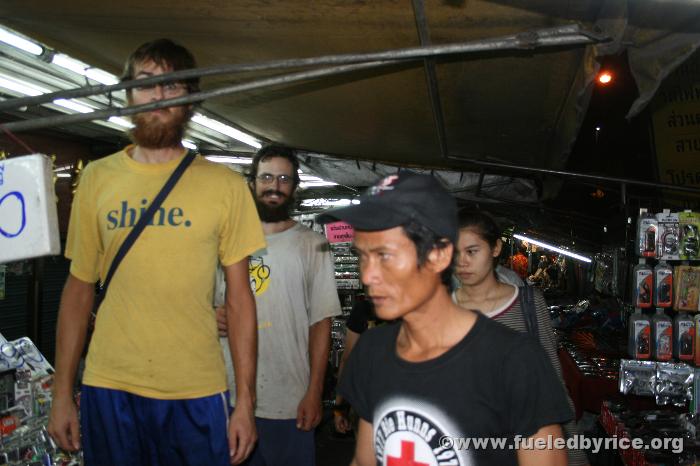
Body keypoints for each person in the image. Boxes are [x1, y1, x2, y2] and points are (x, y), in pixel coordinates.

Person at [48, 39, 265, 466]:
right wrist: (61, 394)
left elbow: (240, 300)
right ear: (128, 92)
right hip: (109, 384)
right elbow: (78, 291)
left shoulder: (225, 186)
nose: (158, 96)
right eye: (147, 83)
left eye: (172, 86)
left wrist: (245, 401)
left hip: (197, 389)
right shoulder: (96, 178)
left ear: (191, 101)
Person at [320, 172, 572, 466]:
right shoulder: (373, 351)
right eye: (362, 256)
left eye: (385, 255)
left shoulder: (515, 362)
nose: (367, 275)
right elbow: (365, 461)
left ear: (439, 256)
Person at [217, 145, 342, 466]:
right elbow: (198, 304)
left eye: (284, 179)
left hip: (289, 399)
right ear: (252, 182)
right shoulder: (224, 242)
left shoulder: (313, 245)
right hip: (225, 395)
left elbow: (321, 324)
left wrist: (314, 392)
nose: (275, 186)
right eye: (267, 177)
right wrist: (208, 317)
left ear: (295, 186)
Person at [453, 209, 589, 466]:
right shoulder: (443, 311)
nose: (462, 262)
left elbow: (553, 382)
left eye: (472, 251)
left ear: (495, 248)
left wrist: (572, 451)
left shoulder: (528, 304)